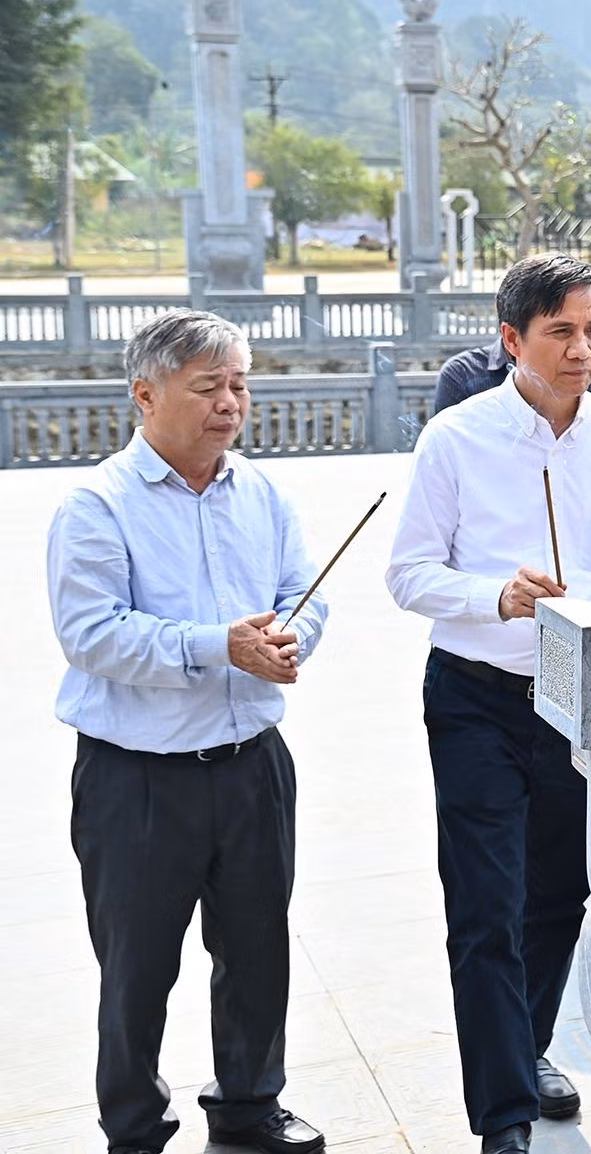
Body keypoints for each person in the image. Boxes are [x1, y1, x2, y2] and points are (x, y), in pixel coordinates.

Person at [385, 254, 591, 1154]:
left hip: (580, 696)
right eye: (561, 331)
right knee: (484, 905)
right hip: (476, 694)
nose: (582, 347)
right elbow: (408, 574)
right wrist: (496, 598)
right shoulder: (457, 438)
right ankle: (504, 1116)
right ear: (513, 340)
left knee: (559, 895)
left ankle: (529, 1047)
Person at [47, 309, 330, 1154]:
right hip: (137, 777)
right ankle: (133, 1126)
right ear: (146, 395)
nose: (230, 403)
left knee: (256, 951)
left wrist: (289, 639)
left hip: (251, 765)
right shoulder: (95, 506)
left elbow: (300, 594)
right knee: (137, 969)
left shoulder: (264, 493)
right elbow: (90, 633)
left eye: (239, 384)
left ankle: (249, 1106)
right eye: (208, 387)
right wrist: (220, 646)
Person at [432, 336, 591, 416]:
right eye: (560, 331)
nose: (582, 351)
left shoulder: (573, 372)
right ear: (512, 336)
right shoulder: (462, 374)